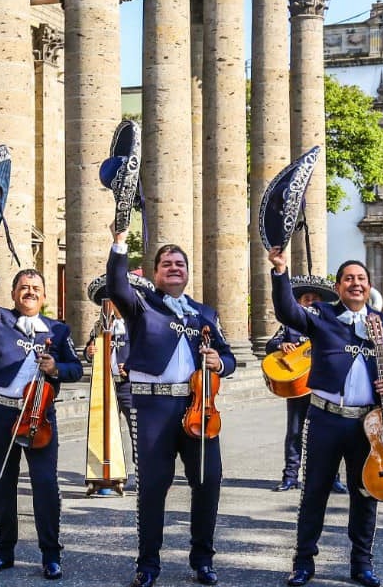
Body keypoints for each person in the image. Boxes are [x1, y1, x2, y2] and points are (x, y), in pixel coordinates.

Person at [269, 251, 383, 587]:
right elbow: (286, 311)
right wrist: (280, 273)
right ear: (338, 287)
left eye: (361, 279)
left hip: (369, 425)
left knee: (365, 493)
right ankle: (303, 562)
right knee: (314, 492)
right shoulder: (321, 315)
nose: (355, 283)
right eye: (348, 278)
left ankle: (362, 564)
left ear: (369, 287)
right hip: (325, 418)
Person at [106, 231, 235, 587]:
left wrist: (218, 362)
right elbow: (116, 286)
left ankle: (203, 560)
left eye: (180, 264)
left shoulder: (203, 313)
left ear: (187, 272)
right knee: (152, 486)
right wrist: (119, 244)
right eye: (167, 264)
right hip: (152, 405)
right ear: (155, 272)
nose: (174, 268)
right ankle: (148, 565)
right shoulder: (141, 304)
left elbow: (228, 356)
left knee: (208, 482)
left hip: (198, 406)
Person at [0, 246, 82, 581]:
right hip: (1, 412)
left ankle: (51, 555)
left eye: (36, 289)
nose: (30, 292)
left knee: (45, 485)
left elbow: (75, 368)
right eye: (24, 288)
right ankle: (3, 552)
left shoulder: (57, 331)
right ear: (15, 294)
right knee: (2, 484)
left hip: (39, 414)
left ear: (44, 296)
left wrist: (56, 367)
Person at [264, 275, 347, 495]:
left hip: (325, 387)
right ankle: (290, 476)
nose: (310, 302)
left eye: (315, 299)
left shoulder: (331, 326)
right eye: (306, 298)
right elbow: (270, 345)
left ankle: (333, 478)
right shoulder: (290, 328)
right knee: (294, 432)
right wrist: (283, 345)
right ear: (299, 303)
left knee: (330, 435)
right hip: (299, 386)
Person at [84, 272, 154, 495]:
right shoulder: (102, 324)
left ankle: (145, 474)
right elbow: (89, 348)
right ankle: (107, 476)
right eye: (111, 300)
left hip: (129, 385)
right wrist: (89, 351)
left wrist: (134, 367)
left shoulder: (141, 324)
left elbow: (151, 352)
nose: (115, 304)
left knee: (137, 430)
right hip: (106, 384)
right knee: (104, 428)